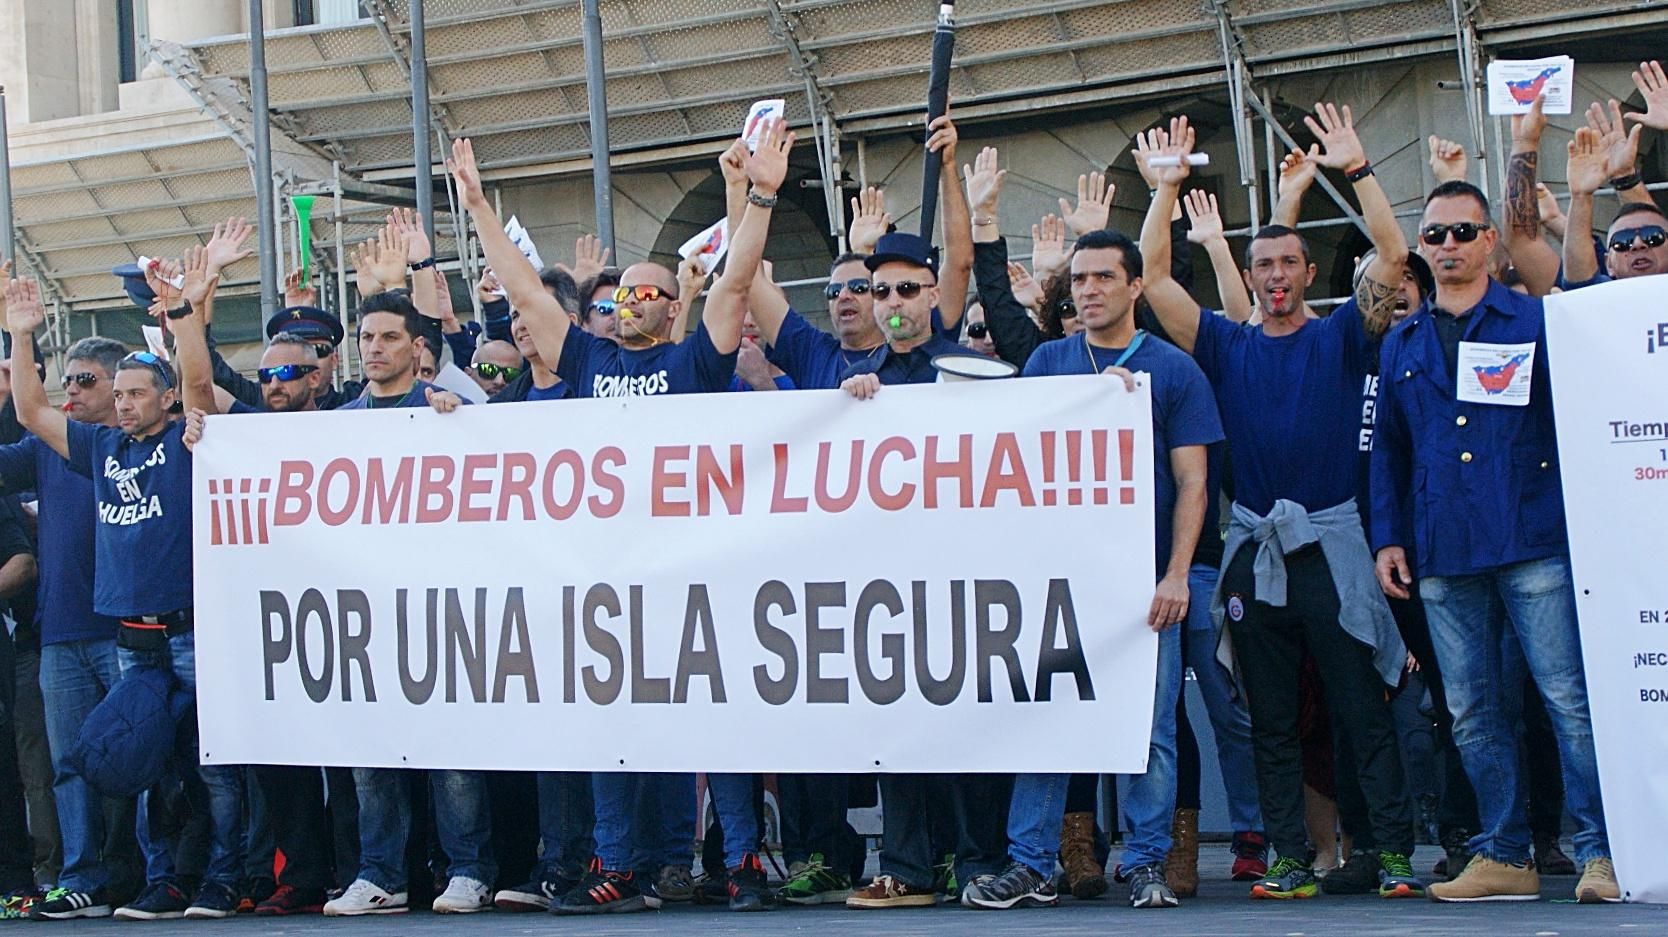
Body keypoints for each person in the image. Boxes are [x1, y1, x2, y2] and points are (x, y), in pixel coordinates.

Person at [450, 117, 787, 913]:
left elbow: (735, 285)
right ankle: (620, 864)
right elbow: (528, 290)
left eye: (648, 293)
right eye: (621, 293)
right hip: (609, 577)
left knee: (716, 720)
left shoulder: (691, 361)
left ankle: (741, 860)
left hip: (691, 569)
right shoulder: (591, 358)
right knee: (609, 724)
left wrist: (762, 196)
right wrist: (475, 206)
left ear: (674, 308)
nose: (630, 302)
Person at [1138, 109, 1421, 901]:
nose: (1275, 274)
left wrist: (1359, 170)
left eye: (1289, 261)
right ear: (1253, 274)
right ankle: (1291, 856)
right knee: (1270, 719)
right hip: (1255, 552)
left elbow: (1396, 258)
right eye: (1263, 264)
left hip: (1330, 548)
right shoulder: (1226, 345)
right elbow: (1156, 277)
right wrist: (1164, 191)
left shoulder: (1339, 335)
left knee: (1361, 707)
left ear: (1306, 270)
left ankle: (1395, 853)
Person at [959, 146, 1219, 910]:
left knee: (1148, 728)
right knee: (1046, 724)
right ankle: (1032, 860)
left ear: (1136, 284)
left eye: (1105, 276)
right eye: (1079, 279)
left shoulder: (1171, 371)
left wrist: (1175, 574)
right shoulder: (1047, 363)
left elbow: (1193, 481)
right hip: (1056, 586)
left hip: (1142, 585)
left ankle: (1142, 860)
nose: (1091, 289)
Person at [1370, 179, 1618, 904]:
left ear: (1489, 241)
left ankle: (1600, 848)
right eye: (1436, 234)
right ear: (1421, 248)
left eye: (1463, 231)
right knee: (1473, 710)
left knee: (1566, 700)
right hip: (1443, 546)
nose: (1448, 245)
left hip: (1530, 533)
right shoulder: (1402, 341)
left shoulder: (1534, 321)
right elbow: (1389, 451)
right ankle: (1504, 851)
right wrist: (1389, 536)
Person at [3, 267, 248, 921]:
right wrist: (20, 336)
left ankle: (221, 879)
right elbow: (30, 410)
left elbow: (198, 383)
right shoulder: (101, 447)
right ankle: (163, 880)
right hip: (131, 637)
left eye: (139, 392)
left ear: (164, 400)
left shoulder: (187, 440)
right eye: (122, 392)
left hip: (192, 628)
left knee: (214, 765)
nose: (126, 402)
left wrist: (185, 311)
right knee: (150, 766)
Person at [0, 332, 136, 921]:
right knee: (68, 766)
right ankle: (80, 878)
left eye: (87, 381)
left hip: (127, 630)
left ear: (119, 388)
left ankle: (147, 876)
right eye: (69, 381)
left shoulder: (133, 445)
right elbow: (27, 419)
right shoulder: (43, 450)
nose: (73, 392)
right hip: (58, 634)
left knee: (139, 761)